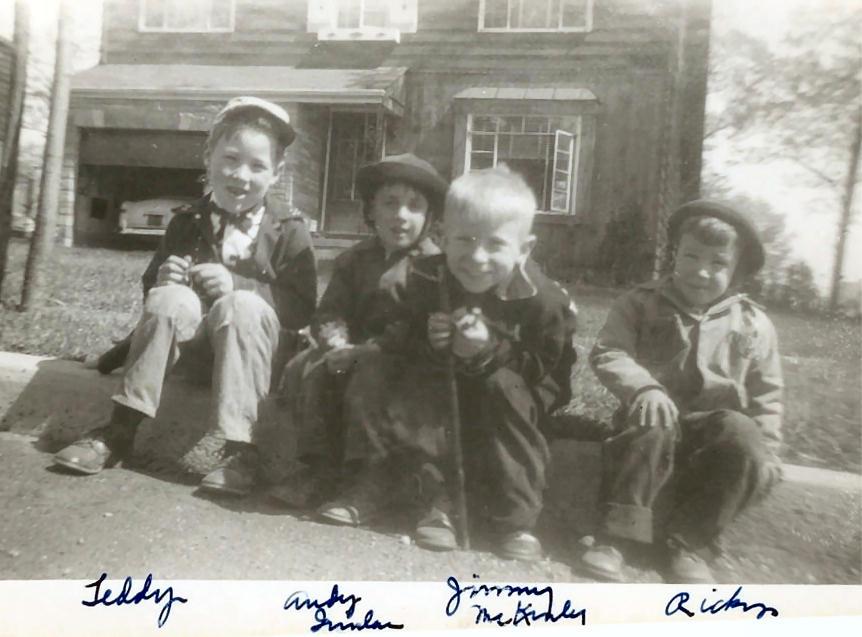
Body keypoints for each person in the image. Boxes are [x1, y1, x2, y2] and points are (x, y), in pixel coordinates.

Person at [52, 96, 317, 497]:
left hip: (254, 360)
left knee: (241, 304)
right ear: (208, 157)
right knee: (171, 299)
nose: (241, 175)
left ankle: (240, 450)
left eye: (257, 166)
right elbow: (151, 297)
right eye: (230, 159)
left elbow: (301, 307)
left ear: (277, 172)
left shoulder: (290, 231)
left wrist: (239, 286)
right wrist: (163, 278)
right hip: (192, 357)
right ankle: (120, 430)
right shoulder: (188, 221)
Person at [318, 165, 578, 561]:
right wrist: (429, 337)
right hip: (441, 379)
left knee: (496, 389)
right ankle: (393, 484)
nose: (476, 257)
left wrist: (488, 352)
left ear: (524, 249)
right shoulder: (428, 276)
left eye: (495, 245)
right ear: (441, 236)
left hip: (515, 395)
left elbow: (548, 369)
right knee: (390, 369)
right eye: (465, 240)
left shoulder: (543, 299)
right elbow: (404, 333)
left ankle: (515, 518)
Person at [581, 199, 784, 583]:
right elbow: (609, 351)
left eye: (718, 263)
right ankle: (616, 539)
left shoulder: (754, 324)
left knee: (744, 437)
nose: (701, 272)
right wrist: (643, 387)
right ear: (675, 253)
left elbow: (767, 393)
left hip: (716, 430)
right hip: (652, 416)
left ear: (737, 270)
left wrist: (768, 450)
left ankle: (690, 544)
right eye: (691, 256)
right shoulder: (642, 303)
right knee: (651, 420)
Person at [269, 153, 447, 508]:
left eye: (414, 207)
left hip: (401, 361)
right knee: (313, 369)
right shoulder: (354, 259)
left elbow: (415, 327)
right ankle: (317, 469)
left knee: (369, 374)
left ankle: (370, 480)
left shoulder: (433, 266)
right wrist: (336, 342)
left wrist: (365, 352)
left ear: (430, 217)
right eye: (390, 203)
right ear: (371, 211)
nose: (400, 215)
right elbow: (330, 310)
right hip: (350, 353)